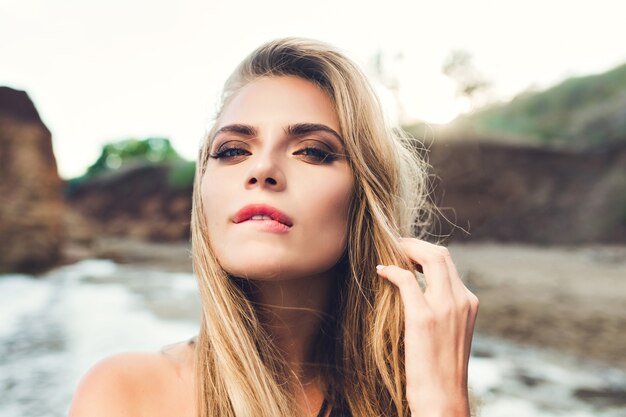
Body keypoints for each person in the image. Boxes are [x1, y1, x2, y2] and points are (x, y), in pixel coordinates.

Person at [68, 37, 479, 417]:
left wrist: (443, 405)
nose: (262, 169)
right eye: (232, 150)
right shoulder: (126, 395)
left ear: (364, 197)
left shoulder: (409, 396)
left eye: (313, 152)